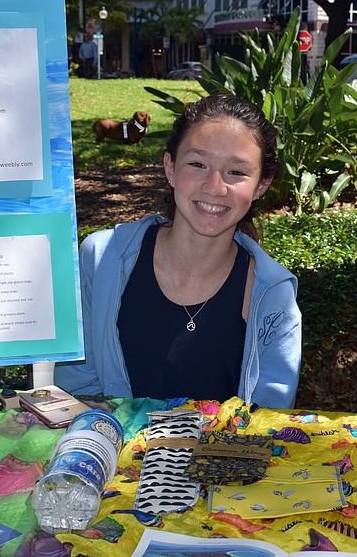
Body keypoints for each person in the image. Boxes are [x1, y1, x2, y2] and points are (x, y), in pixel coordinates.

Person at [56, 94, 302, 408]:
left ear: (261, 186)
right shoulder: (101, 261)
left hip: (223, 457)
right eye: (198, 164)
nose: (215, 187)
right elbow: (79, 390)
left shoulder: (274, 298)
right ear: (170, 168)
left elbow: (269, 419)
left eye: (236, 172)